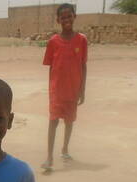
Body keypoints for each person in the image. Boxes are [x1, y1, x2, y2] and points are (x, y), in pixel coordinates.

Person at [42, 3, 88, 169]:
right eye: (63, 17)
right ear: (58, 20)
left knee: (69, 122)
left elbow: (83, 65)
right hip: (57, 91)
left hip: (73, 90)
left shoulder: (82, 40)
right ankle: (49, 158)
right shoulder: (53, 42)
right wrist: (51, 90)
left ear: (74, 17)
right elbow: (51, 67)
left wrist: (82, 90)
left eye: (69, 16)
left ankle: (65, 149)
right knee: (53, 121)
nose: (66, 19)